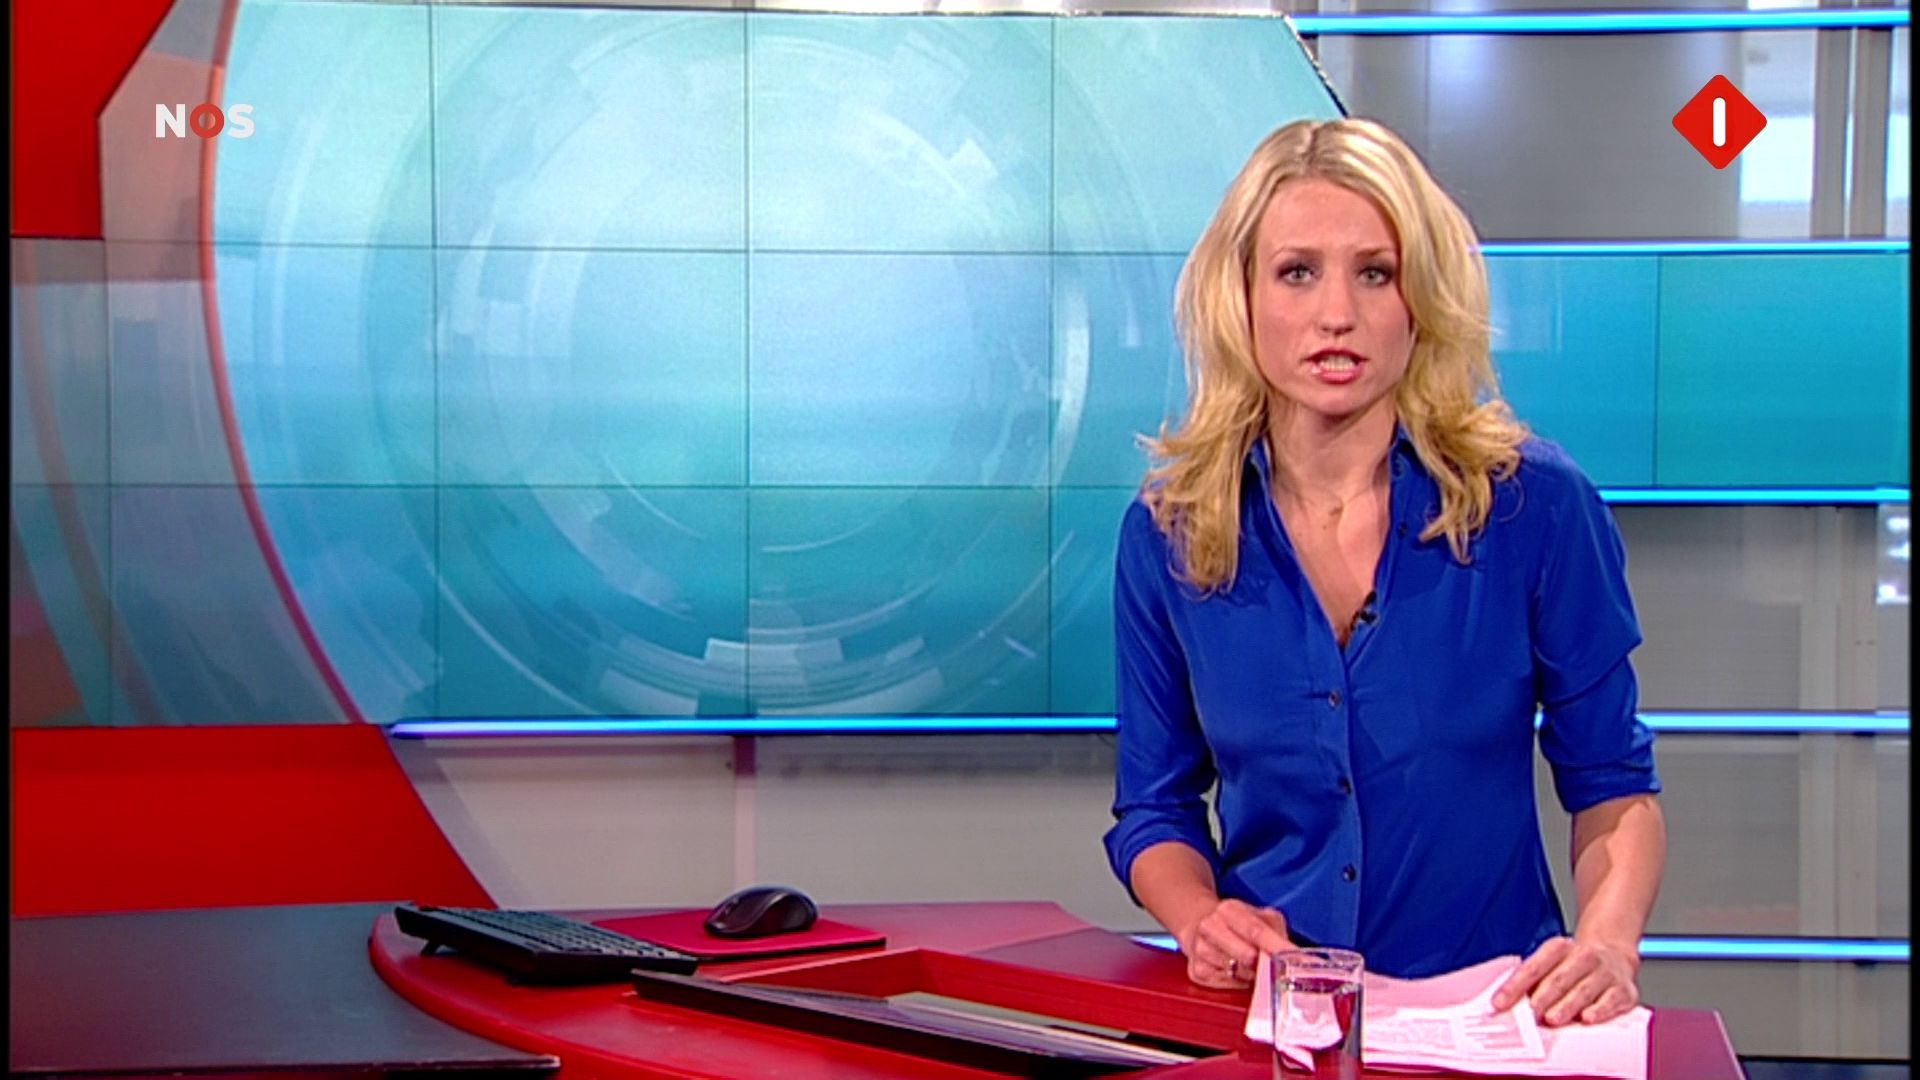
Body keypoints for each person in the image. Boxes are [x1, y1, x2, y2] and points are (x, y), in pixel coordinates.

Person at [1102, 117, 1666, 1028]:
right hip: (1273, 1018)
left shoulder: (1536, 508)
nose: (1338, 314)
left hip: (1490, 1017)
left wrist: (1607, 943)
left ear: (1422, 298)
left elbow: (1613, 784)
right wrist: (1201, 917)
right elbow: (1153, 809)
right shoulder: (1170, 532)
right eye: (1297, 272)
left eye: (1375, 272)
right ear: (1240, 296)